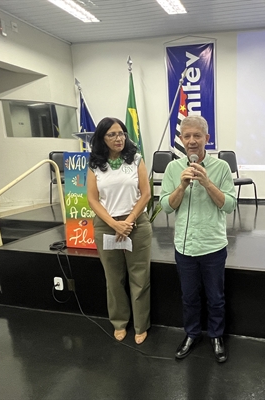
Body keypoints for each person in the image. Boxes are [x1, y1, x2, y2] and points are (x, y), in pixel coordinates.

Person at [160, 115, 236, 363]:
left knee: (216, 297)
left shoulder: (221, 168)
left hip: (212, 245)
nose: (192, 141)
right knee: (189, 296)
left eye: (197, 136)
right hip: (184, 246)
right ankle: (191, 334)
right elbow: (166, 207)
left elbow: (229, 205)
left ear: (207, 138)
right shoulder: (173, 169)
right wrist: (180, 186)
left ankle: (216, 335)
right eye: (187, 136)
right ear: (181, 139)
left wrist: (207, 183)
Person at [87, 117, 153, 345]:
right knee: (113, 278)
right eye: (112, 134)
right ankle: (119, 322)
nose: (119, 138)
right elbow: (92, 199)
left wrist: (129, 221)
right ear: (102, 139)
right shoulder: (95, 164)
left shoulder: (135, 160)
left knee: (139, 277)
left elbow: (146, 194)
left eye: (122, 133)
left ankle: (141, 325)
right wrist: (115, 224)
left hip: (136, 224)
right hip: (107, 225)